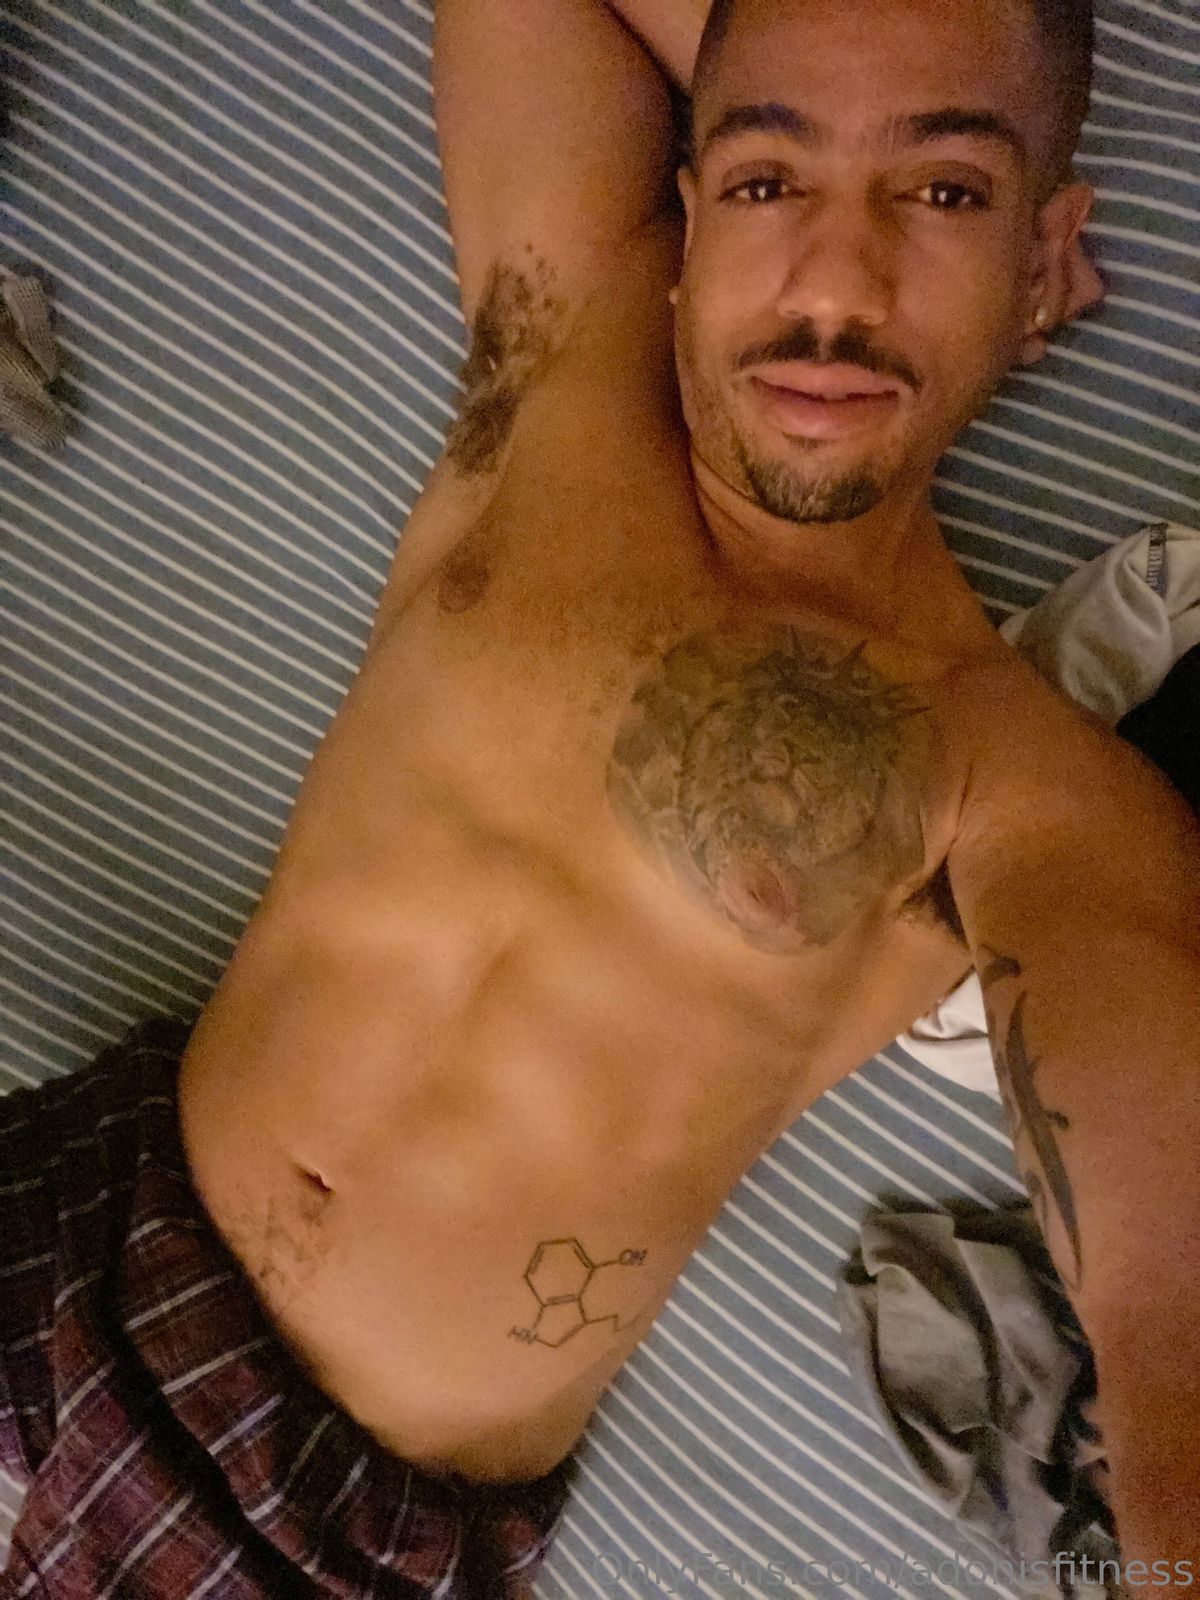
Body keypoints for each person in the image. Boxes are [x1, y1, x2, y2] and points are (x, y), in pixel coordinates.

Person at [2, 0, 1199, 1592]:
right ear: (692, 218)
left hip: (292, 1523)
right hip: (78, 1211)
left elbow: (1165, 1308)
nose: (837, 286)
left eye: (945, 195)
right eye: (769, 182)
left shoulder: (1018, 784)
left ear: (1048, 258)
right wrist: (839, 100)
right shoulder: (565, 354)